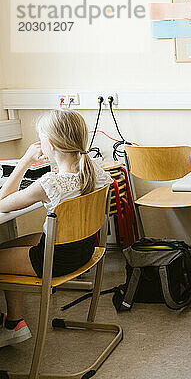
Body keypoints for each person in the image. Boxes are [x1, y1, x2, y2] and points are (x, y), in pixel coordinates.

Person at [0, 109, 112, 347]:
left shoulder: (50, 184)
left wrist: (25, 161)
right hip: (84, 253)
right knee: (11, 244)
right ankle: (14, 324)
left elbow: (2, 204)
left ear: (48, 144)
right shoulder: (97, 172)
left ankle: (14, 322)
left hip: (54, 261)